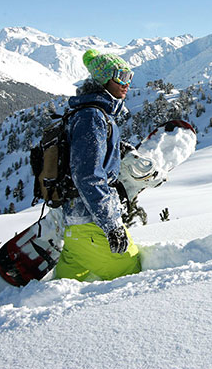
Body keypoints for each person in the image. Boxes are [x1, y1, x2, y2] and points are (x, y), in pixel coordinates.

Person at [54, 49, 146, 282]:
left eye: (130, 77)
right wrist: (111, 224)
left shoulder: (90, 114)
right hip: (92, 225)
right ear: (104, 80)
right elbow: (87, 176)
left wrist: (116, 148)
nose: (127, 83)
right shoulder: (92, 117)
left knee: (62, 290)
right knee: (134, 275)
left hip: (77, 226)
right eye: (121, 76)